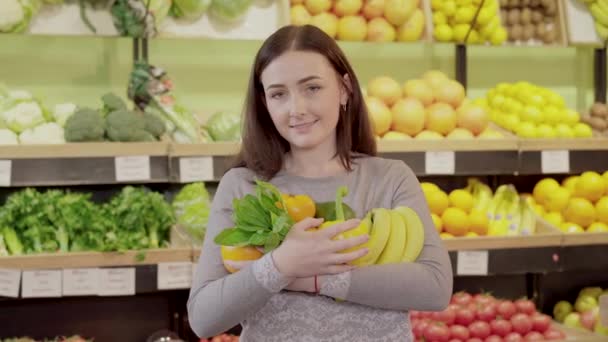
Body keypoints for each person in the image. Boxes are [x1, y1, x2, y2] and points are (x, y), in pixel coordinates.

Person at [188, 24, 453, 341]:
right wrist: (281, 264)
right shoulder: (242, 186)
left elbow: (435, 287)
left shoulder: (391, 178)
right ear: (264, 102)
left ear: (344, 88)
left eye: (311, 88)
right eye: (278, 94)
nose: (296, 108)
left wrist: (314, 279)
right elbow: (203, 318)